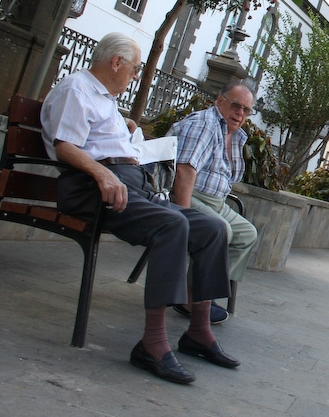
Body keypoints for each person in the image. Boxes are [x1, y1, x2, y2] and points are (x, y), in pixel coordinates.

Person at [41, 33, 238, 384]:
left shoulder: (105, 100)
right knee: (173, 225)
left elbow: (102, 141)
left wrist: (128, 133)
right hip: (93, 189)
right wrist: (103, 173)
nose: (136, 75)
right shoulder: (77, 89)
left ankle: (198, 330)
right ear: (116, 62)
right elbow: (65, 146)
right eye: (135, 69)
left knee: (212, 229)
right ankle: (153, 344)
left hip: (129, 186)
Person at [168, 80, 259, 325]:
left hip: (217, 202)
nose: (240, 113)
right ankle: (191, 299)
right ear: (220, 101)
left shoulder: (235, 135)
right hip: (188, 195)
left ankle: (204, 293)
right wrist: (183, 215)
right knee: (220, 229)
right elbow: (185, 171)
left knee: (246, 234)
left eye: (246, 110)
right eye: (236, 105)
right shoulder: (205, 124)